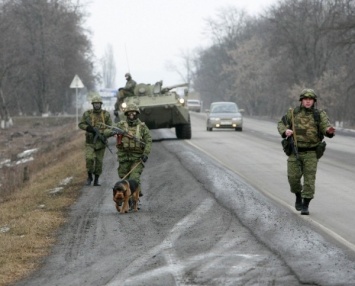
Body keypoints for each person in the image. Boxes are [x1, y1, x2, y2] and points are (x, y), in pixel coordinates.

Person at [277, 88, 335, 215]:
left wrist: (329, 131)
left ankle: (305, 205)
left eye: (310, 100)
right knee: (293, 178)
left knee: (309, 180)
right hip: (295, 151)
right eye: (305, 99)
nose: (308, 102)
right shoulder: (293, 112)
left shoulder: (319, 114)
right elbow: (281, 123)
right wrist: (285, 131)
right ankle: (298, 195)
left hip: (311, 152)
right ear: (301, 101)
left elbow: (325, 126)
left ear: (314, 101)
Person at [113, 103, 152, 196]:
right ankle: (133, 195)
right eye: (129, 112)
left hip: (137, 158)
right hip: (124, 157)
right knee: (123, 177)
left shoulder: (142, 127)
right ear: (126, 114)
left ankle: (135, 196)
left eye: (133, 112)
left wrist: (145, 154)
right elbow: (109, 130)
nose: (131, 114)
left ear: (137, 113)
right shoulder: (120, 125)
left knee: (134, 178)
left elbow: (148, 140)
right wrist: (111, 132)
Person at [78, 95, 113, 186]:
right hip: (90, 142)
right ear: (93, 104)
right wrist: (88, 128)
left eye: (98, 103)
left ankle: (96, 180)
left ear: (101, 104)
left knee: (99, 162)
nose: (97, 105)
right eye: (95, 104)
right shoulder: (87, 114)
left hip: (101, 143)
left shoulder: (106, 114)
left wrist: (104, 134)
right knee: (89, 159)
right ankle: (89, 176)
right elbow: (81, 124)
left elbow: (110, 127)